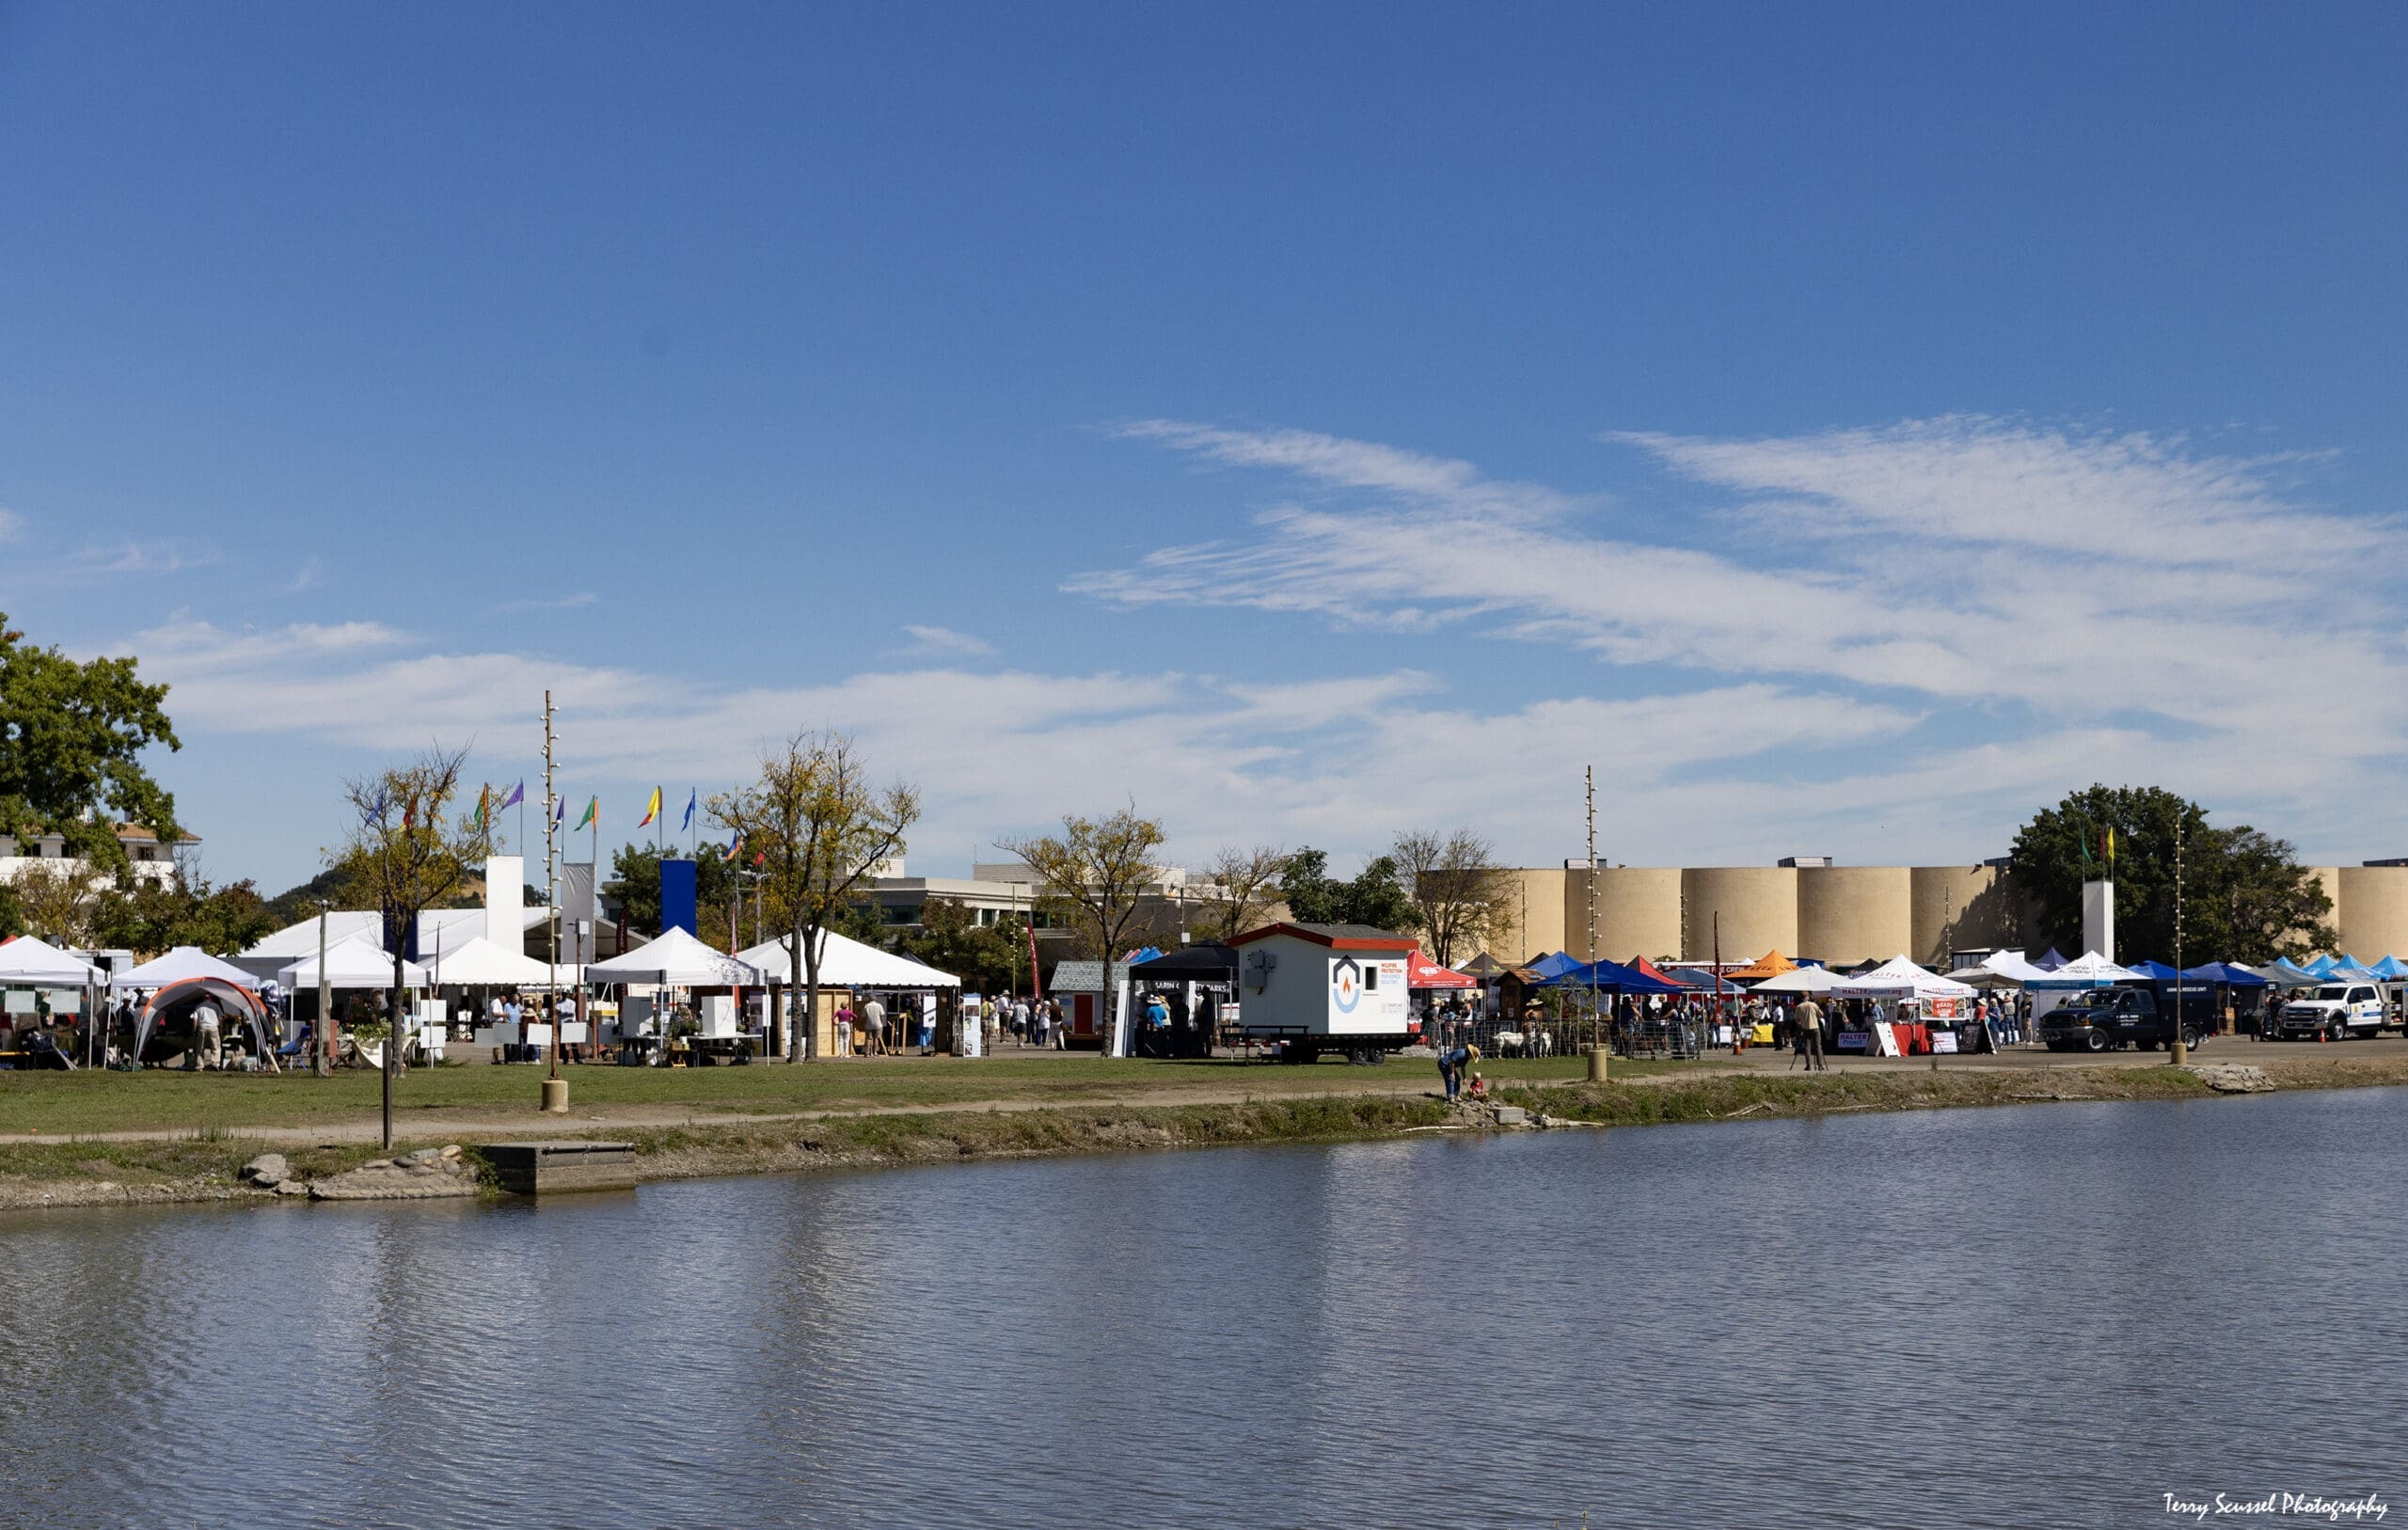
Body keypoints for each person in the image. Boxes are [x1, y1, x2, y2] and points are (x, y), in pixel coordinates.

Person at [188, 998, 222, 1071]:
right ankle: (215, 1064)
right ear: (211, 999)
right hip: (213, 1027)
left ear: (203, 999)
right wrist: (221, 1030)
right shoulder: (216, 1006)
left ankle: (199, 1066)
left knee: (200, 1048)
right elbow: (220, 1018)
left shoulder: (198, 1006)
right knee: (215, 1047)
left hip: (202, 1027)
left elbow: (194, 1020)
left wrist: (194, 1031)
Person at [1793, 996, 1825, 1071]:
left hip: (1805, 1028)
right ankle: (1820, 1065)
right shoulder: (1813, 1005)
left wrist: (1801, 1024)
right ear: (1807, 997)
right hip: (1815, 1027)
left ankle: (1809, 1065)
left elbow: (1797, 1020)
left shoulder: (1799, 1007)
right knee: (1818, 1046)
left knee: (1807, 1047)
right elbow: (1821, 1015)